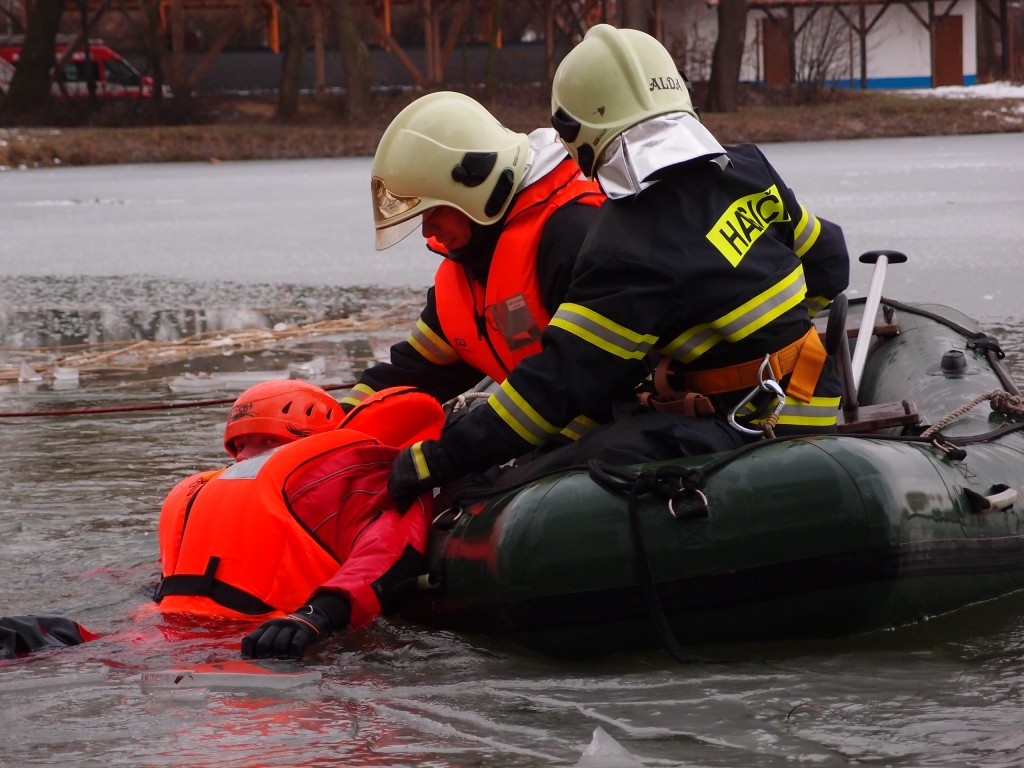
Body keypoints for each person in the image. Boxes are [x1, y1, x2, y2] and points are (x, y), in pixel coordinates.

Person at [386, 24, 850, 509]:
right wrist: (755, 344)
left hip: (757, 425)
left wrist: (436, 460)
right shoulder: (748, 168)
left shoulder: (628, 248)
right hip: (816, 396)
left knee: (583, 460)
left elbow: (553, 388)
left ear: (575, 133)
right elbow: (830, 264)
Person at [342, 90, 605, 413]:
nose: (427, 231)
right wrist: (338, 419)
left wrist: (461, 443)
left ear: (475, 185)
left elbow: (580, 381)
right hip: (546, 428)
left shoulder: (569, 236)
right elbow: (411, 372)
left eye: (432, 211)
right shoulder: (473, 261)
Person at [154, 379, 446, 660]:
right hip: (182, 635)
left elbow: (384, 551)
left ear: (318, 444)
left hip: (276, 640)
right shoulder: (216, 494)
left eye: (268, 441)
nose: (245, 458)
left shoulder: (352, 483)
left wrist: (318, 615)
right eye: (240, 445)